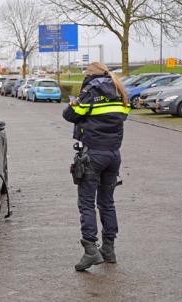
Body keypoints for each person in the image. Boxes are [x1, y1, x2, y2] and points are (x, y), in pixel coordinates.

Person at [62, 62, 131, 272]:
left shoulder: (91, 91)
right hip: (113, 155)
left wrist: (75, 104)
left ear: (89, 74)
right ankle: (109, 249)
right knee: (107, 203)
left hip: (92, 155)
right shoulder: (120, 91)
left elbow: (69, 115)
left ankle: (91, 250)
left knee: (86, 203)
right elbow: (123, 115)